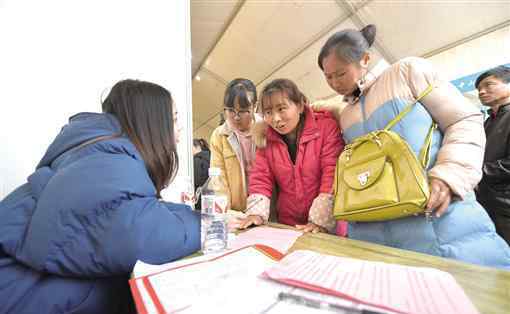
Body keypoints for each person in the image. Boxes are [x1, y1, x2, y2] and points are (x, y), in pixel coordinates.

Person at [316, 24, 510, 268]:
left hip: (437, 217)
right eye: (328, 76)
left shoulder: (406, 72)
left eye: (340, 73)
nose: (334, 83)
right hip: (372, 234)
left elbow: (463, 119)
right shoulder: (347, 114)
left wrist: (450, 175)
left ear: (365, 59)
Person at [0, 79, 201, 313]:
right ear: (152, 124)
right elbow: (149, 236)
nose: (179, 132)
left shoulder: (99, 153)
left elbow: (139, 211)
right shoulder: (113, 163)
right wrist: (211, 224)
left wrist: (191, 214)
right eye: (174, 120)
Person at [234, 79, 346, 234]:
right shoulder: (265, 139)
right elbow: (260, 177)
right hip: (288, 225)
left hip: (327, 225)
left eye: (281, 109)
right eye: (268, 112)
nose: (276, 118)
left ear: (300, 105)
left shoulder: (326, 128)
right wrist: (256, 214)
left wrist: (320, 220)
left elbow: (332, 172)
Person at [209, 78, 258, 212]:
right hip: (236, 212)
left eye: (242, 111)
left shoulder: (266, 130)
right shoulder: (219, 136)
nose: (236, 117)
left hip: (267, 211)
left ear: (255, 107)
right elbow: (219, 180)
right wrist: (226, 214)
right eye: (230, 110)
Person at [475, 66, 510, 245]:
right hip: (487, 202)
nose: (481, 91)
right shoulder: (488, 121)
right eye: (479, 89)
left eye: (489, 85)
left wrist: (476, 172)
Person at [193, 138, 210, 209]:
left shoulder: (197, 159)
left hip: (200, 199)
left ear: (197, 147)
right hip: (210, 196)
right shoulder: (211, 157)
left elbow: (196, 180)